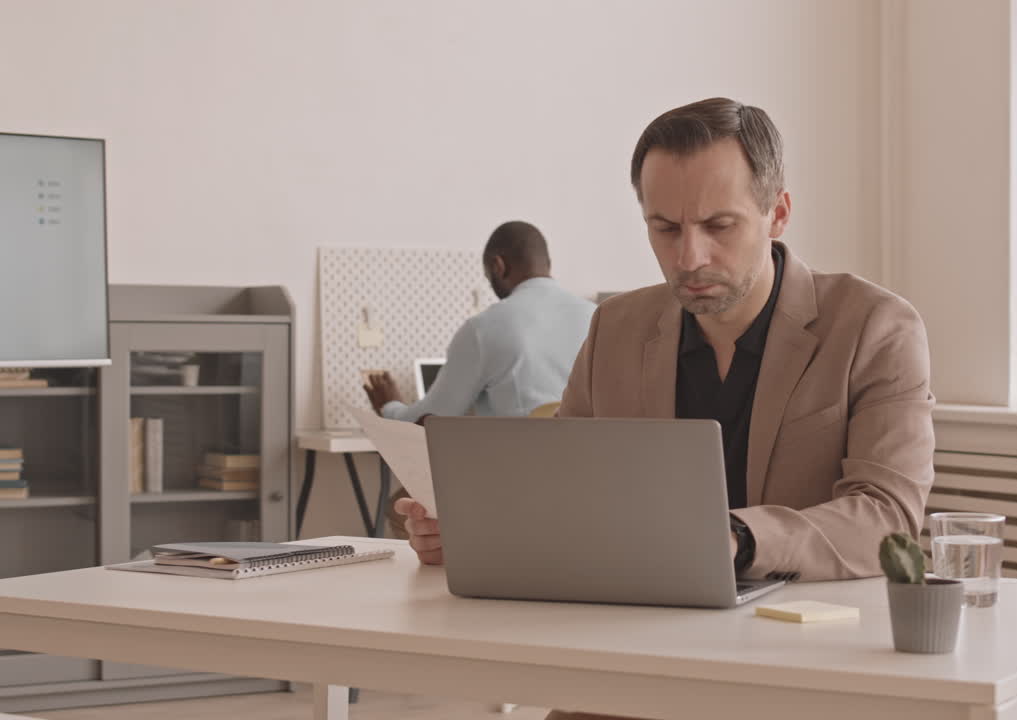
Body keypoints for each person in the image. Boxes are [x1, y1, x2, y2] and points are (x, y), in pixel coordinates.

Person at [394, 99, 935, 719]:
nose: (689, 258)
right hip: (632, 671)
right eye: (666, 229)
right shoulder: (616, 328)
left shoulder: (874, 327)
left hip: (804, 673)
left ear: (777, 212)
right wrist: (469, 535)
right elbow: (565, 496)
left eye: (719, 225)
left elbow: (888, 517)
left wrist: (737, 536)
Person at [365, 220, 595, 538]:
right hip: (587, 483)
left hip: (514, 482)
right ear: (547, 264)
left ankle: (452, 582)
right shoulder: (597, 316)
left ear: (497, 265)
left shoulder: (486, 328)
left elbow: (429, 421)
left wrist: (389, 405)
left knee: (400, 505)